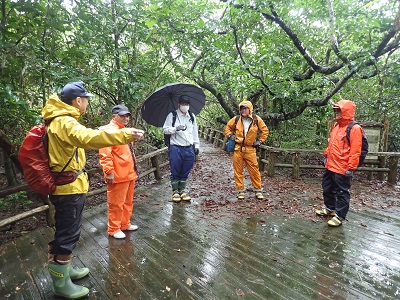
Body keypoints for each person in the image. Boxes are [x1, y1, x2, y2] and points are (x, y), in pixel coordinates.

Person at [42, 82, 144, 299]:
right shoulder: (64, 122)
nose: (87, 103)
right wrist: (126, 134)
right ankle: (60, 284)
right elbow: (89, 138)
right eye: (86, 99)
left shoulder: (62, 121)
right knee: (67, 234)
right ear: (78, 101)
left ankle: (66, 270)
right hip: (67, 188)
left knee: (69, 231)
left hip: (71, 186)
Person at [316, 99, 363, 227]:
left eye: (339, 110)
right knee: (327, 188)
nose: (336, 112)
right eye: (335, 110)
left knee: (342, 192)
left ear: (345, 111)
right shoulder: (337, 126)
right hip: (331, 165)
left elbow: (356, 150)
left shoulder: (355, 128)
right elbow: (331, 144)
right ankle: (330, 208)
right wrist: (326, 155)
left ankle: (340, 216)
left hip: (343, 167)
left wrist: (351, 167)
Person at [99, 105, 139, 239]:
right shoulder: (109, 131)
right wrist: (109, 171)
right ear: (114, 116)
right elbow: (105, 153)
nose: (126, 118)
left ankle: (124, 223)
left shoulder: (125, 131)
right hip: (118, 174)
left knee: (128, 202)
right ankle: (114, 228)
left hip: (129, 172)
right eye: (122, 115)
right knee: (116, 203)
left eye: (127, 115)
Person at [224, 100, 269, 200]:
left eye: (245, 108)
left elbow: (265, 131)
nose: (243, 110)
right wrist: (230, 135)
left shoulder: (256, 120)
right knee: (238, 171)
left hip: (250, 149)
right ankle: (240, 191)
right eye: (242, 108)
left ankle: (258, 190)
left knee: (254, 170)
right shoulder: (236, 119)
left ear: (250, 109)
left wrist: (260, 141)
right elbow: (227, 127)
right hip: (238, 148)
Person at [163, 95, 200, 202]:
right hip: (176, 147)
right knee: (175, 169)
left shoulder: (192, 117)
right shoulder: (172, 115)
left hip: (188, 147)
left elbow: (195, 132)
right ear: (179, 104)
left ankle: (182, 190)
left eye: (187, 104)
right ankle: (175, 191)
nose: (185, 106)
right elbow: (165, 129)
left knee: (186, 169)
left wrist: (196, 146)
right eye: (183, 104)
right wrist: (175, 129)